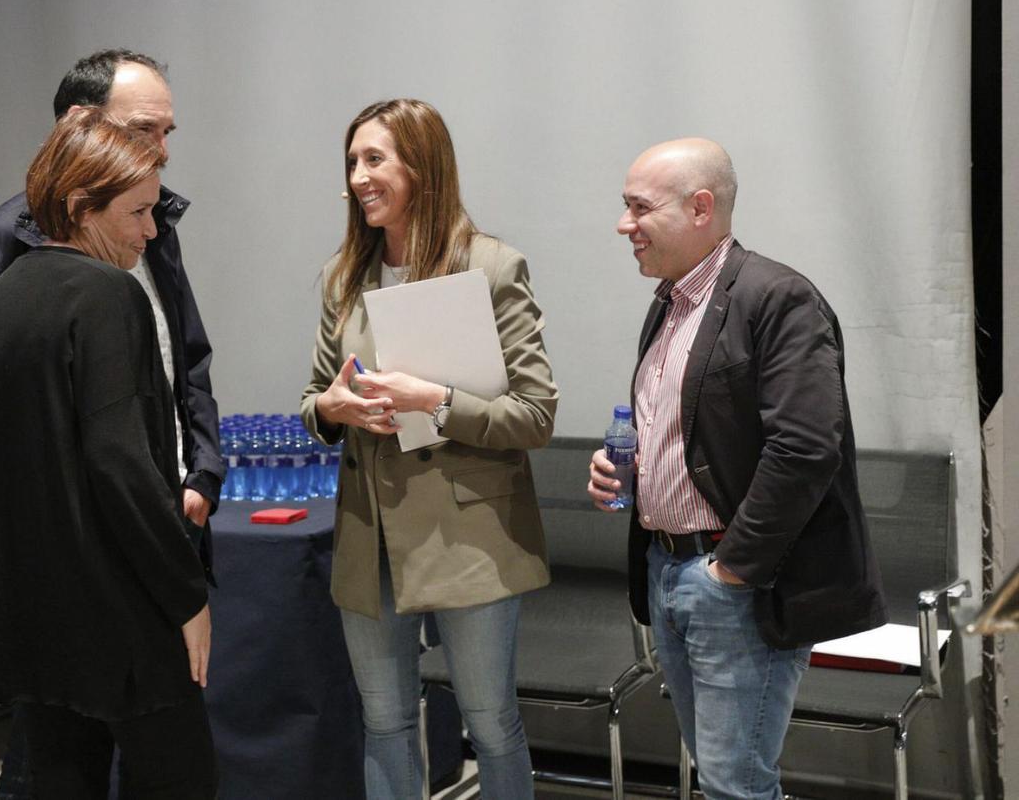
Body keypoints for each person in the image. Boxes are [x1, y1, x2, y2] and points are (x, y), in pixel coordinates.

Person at [0, 48, 223, 799]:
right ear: (80, 132)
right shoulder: (10, 245)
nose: (160, 149)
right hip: (90, 557)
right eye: (144, 129)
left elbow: (184, 360)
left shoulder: (144, 225)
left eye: (166, 132)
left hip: (135, 528)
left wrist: (203, 467)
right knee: (85, 761)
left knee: (68, 761)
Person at [587, 138, 887, 800]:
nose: (622, 224)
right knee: (729, 781)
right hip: (670, 572)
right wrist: (628, 469)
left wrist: (731, 571)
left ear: (700, 207)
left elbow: (806, 448)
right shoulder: (669, 302)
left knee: (736, 786)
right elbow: (697, 431)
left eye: (638, 207)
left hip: (733, 582)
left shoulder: (778, 299)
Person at [300, 98, 558, 800]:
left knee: (490, 721)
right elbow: (314, 398)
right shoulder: (342, 274)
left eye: (374, 159)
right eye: (352, 162)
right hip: (371, 531)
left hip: (470, 531)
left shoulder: (493, 266)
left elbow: (535, 415)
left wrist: (434, 400)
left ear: (423, 165)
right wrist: (332, 407)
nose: (358, 177)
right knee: (383, 719)